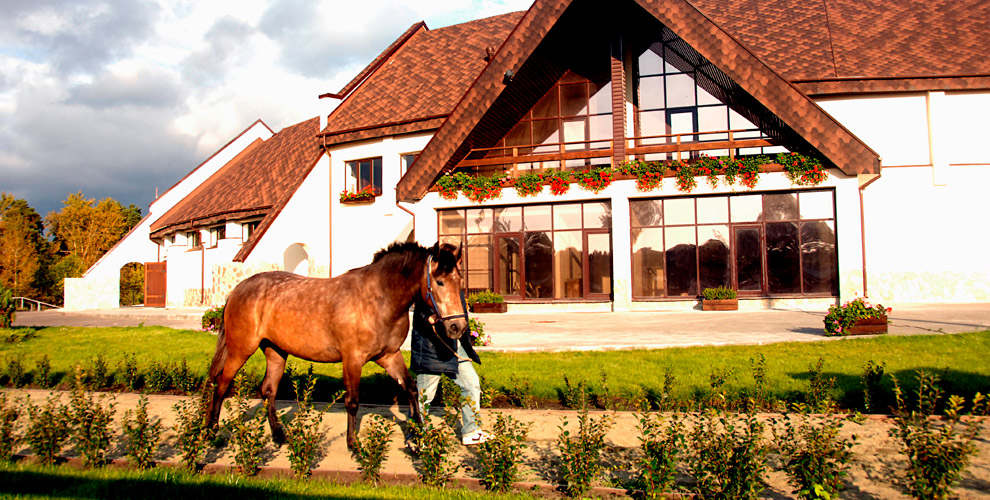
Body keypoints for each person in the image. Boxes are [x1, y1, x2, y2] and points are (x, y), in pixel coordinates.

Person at [410, 294, 491, 445]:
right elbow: (420, 315)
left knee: (471, 384)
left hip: (454, 348)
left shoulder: (454, 284)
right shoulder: (428, 282)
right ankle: (416, 433)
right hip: (431, 350)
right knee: (425, 395)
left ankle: (471, 431)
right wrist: (430, 318)